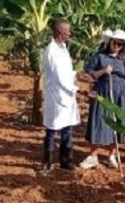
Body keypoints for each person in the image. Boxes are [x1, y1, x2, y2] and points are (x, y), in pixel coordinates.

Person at [80, 30, 125, 169]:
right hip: (103, 92)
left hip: (122, 94)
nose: (116, 46)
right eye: (114, 42)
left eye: (120, 44)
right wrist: (103, 71)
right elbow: (89, 73)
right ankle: (93, 156)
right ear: (109, 41)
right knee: (99, 121)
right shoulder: (100, 56)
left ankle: (112, 155)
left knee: (117, 123)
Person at [40, 18, 81, 174]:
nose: (69, 33)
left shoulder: (63, 48)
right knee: (52, 130)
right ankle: (46, 162)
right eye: (67, 30)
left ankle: (66, 161)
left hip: (67, 96)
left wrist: (78, 75)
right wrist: (78, 89)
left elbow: (67, 72)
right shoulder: (52, 50)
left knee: (67, 129)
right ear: (59, 32)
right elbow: (60, 77)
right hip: (56, 97)